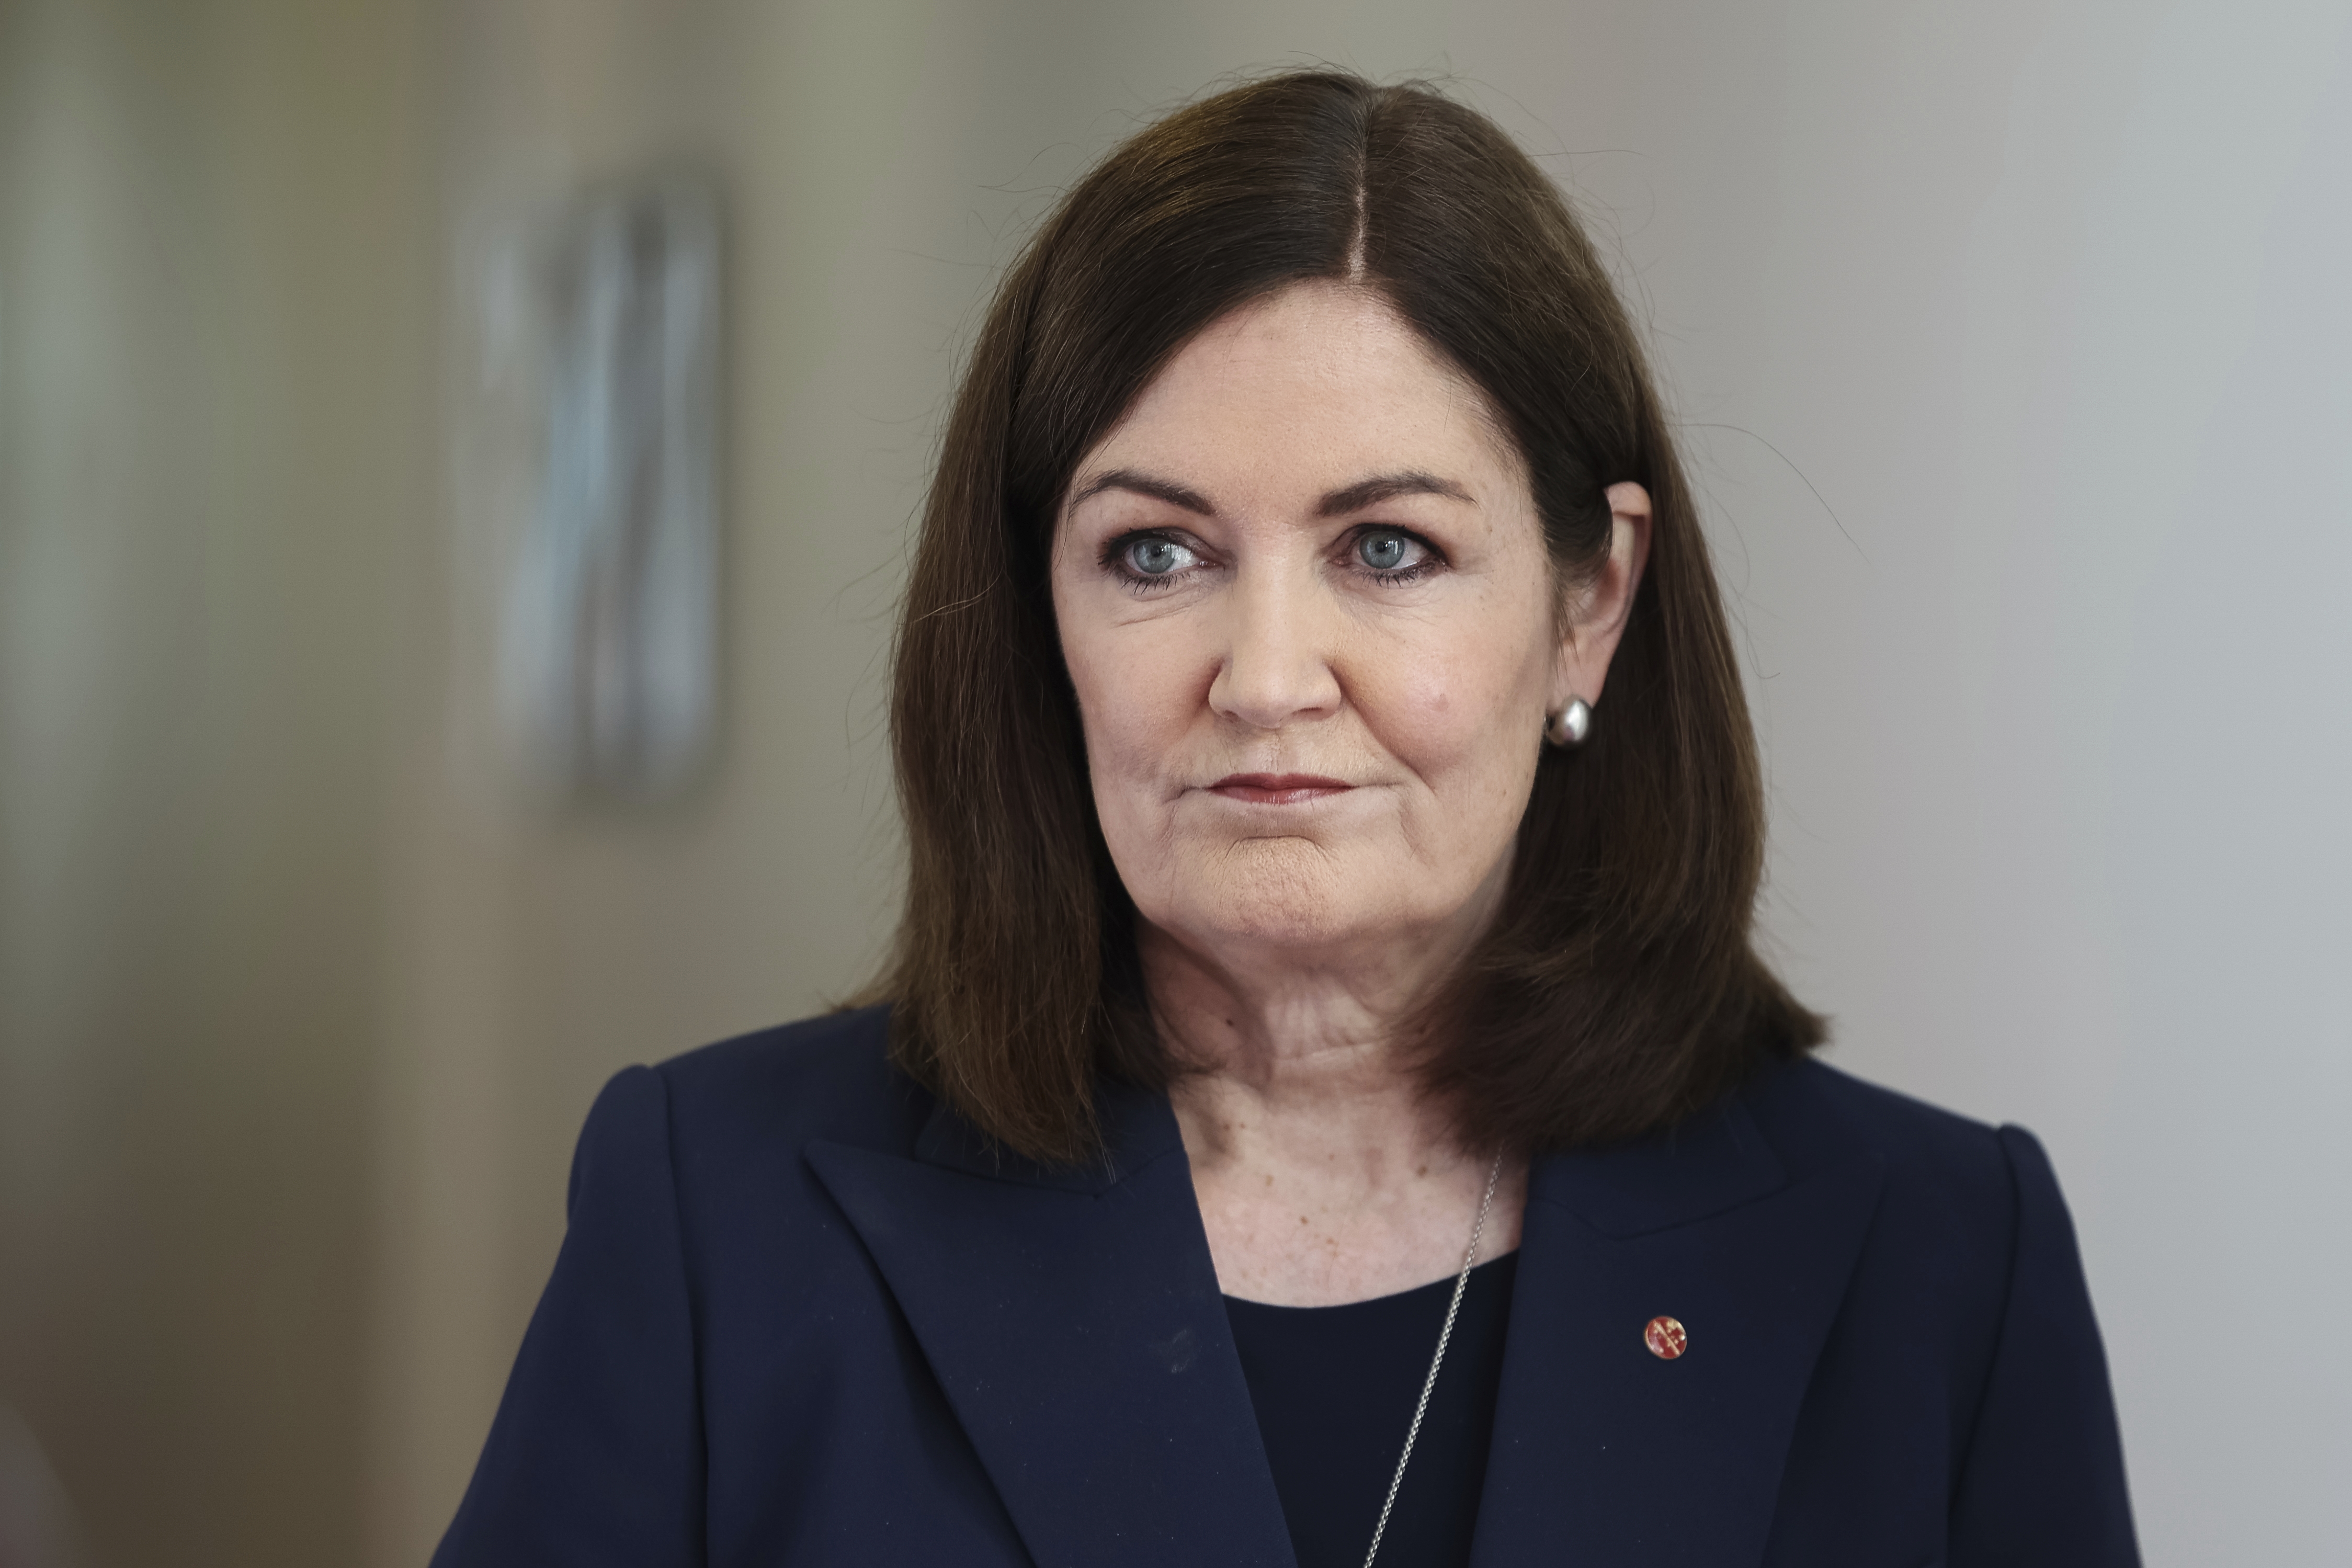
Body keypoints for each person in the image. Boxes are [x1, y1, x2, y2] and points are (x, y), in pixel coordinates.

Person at [431, 71, 2139, 1568]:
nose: (1262, 676)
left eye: (1385, 550)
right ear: (1039, 613)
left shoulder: (1936, 1256)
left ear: (1588, 603)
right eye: (1153, 554)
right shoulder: (719, 1212)